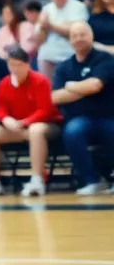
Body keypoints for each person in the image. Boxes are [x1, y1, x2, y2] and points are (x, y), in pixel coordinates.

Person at [0, 47, 61, 197]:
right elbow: (0, 108)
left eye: (18, 65)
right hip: (16, 128)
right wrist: (6, 119)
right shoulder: (4, 83)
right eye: (11, 65)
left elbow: (45, 110)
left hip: (46, 126)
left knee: (36, 130)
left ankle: (37, 179)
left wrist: (24, 122)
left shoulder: (40, 81)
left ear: (28, 65)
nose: (14, 69)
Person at [51, 22, 114, 195]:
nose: (79, 39)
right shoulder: (63, 67)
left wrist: (71, 86)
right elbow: (55, 97)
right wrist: (83, 88)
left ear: (91, 35)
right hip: (81, 119)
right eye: (74, 36)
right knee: (72, 131)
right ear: (70, 40)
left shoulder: (105, 59)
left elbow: (96, 85)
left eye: (82, 34)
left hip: (109, 116)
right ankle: (93, 180)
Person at [36, 0, 89, 82]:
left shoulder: (78, 7)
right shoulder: (46, 9)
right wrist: (43, 27)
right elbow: (40, 39)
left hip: (69, 56)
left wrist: (50, 25)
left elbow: (75, 32)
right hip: (47, 57)